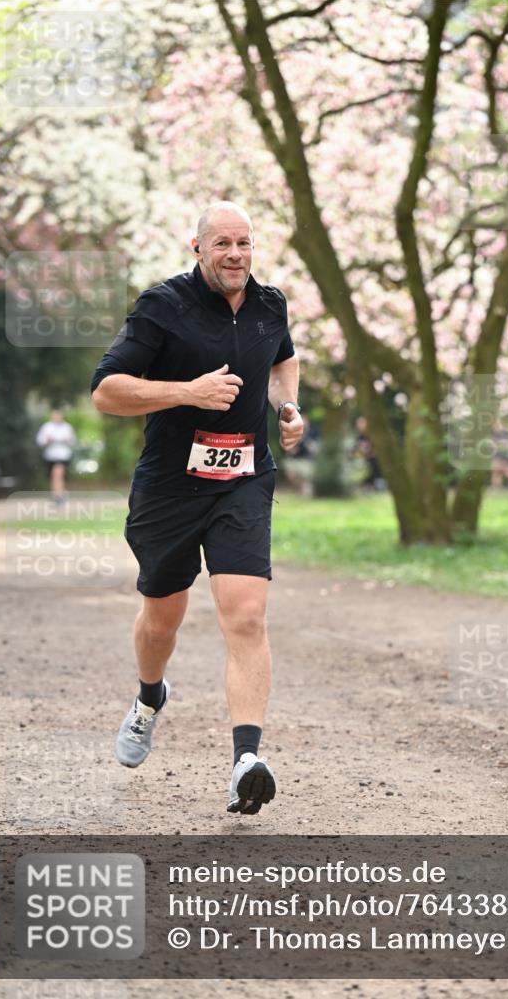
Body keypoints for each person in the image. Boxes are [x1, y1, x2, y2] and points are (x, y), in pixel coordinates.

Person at [90, 201, 304, 815]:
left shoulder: (270, 304)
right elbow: (106, 391)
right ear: (198, 248)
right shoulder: (163, 306)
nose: (235, 254)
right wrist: (188, 392)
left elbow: (283, 359)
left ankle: (246, 761)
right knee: (163, 618)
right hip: (169, 488)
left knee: (247, 616)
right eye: (222, 244)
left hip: (243, 479)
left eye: (244, 243)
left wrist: (288, 408)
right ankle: (149, 697)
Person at [35, 408, 76, 502]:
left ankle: (57, 495)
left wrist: (67, 440)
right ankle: (58, 492)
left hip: (63, 455)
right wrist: (47, 440)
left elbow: (73, 441)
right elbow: (40, 441)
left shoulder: (67, 427)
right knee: (54, 476)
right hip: (50, 455)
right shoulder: (46, 427)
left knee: (57, 473)